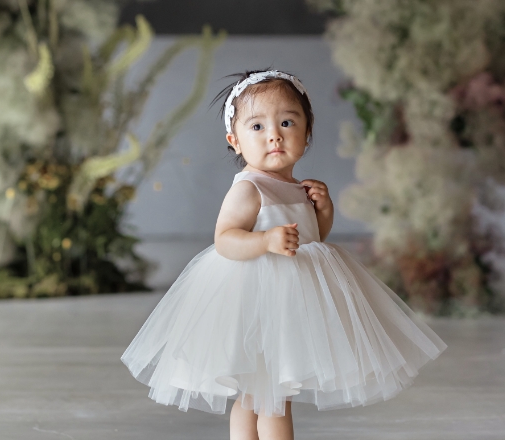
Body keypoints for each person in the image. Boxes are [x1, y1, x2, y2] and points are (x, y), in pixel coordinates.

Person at [120, 69, 447, 440]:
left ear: (307, 133)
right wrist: (264, 241)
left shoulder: (298, 188)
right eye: (257, 126)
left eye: (287, 122)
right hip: (258, 301)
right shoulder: (249, 189)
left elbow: (312, 238)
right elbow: (225, 239)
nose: (274, 134)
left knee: (260, 395)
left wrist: (323, 211)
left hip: (293, 302)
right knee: (270, 399)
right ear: (235, 141)